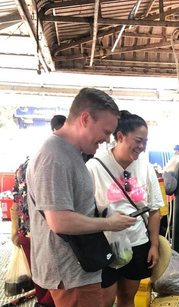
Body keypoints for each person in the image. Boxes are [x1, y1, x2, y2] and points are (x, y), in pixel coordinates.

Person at [26, 88, 137, 307]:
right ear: (85, 119)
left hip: (78, 268)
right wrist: (109, 223)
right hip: (71, 272)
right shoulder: (54, 157)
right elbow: (59, 221)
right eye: (106, 132)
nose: (107, 140)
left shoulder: (71, 153)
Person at [86, 110, 164, 307]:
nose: (142, 147)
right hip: (106, 245)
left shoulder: (145, 168)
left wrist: (153, 245)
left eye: (145, 142)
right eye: (138, 140)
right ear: (120, 136)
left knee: (128, 297)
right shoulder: (95, 167)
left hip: (138, 243)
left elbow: (154, 210)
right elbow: (84, 212)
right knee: (105, 301)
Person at [10, 114, 66, 307]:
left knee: (40, 279)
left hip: (27, 232)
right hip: (52, 235)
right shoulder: (60, 163)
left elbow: (15, 204)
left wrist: (14, 231)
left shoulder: (23, 166)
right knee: (59, 283)